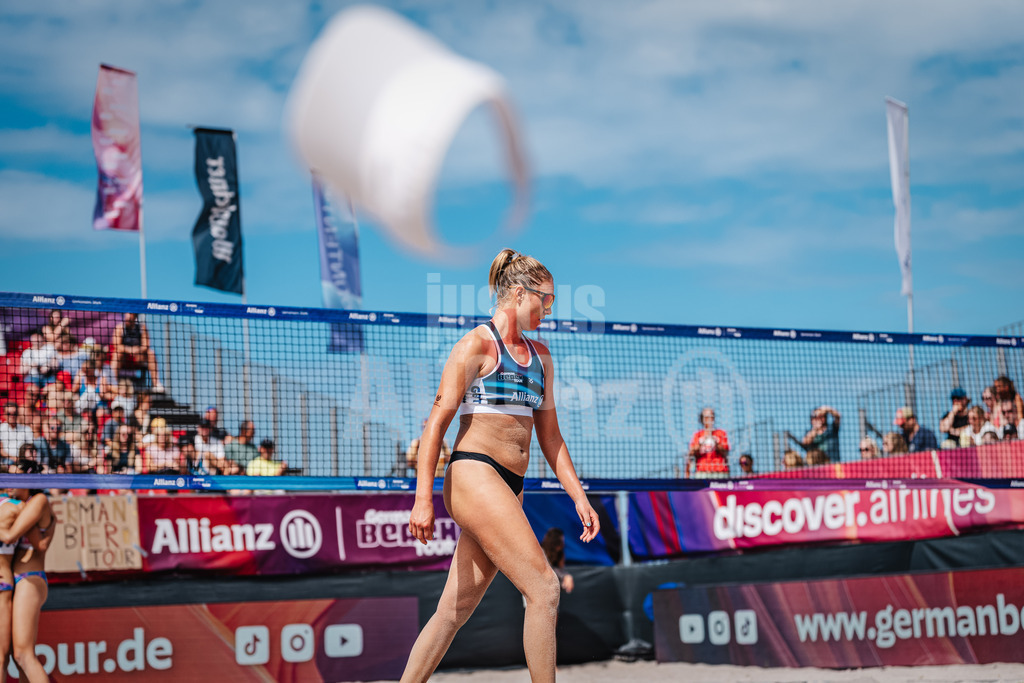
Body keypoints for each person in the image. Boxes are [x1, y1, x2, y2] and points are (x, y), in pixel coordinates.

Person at [402, 249, 599, 683]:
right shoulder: (476, 344)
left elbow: (551, 438)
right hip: (474, 472)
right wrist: (422, 501)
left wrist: (579, 496)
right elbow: (435, 426)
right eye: (545, 301)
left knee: (455, 609)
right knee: (545, 588)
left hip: (511, 484)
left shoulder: (541, 356)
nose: (549, 310)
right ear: (517, 292)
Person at [6, 463, 56, 683]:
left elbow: (9, 536)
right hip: (16, 579)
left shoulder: (39, 501)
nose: (6, 481)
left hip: (29, 577)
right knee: (18, 659)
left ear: (27, 478)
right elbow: (37, 541)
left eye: (12, 476)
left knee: (23, 655)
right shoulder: (20, 504)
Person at [110, 312, 163, 392]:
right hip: (124, 357)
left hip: (138, 357)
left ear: (135, 318)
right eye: (126, 318)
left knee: (150, 353)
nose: (128, 319)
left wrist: (138, 350)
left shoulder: (142, 328)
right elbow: (116, 345)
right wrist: (129, 350)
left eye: (130, 318)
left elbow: (146, 345)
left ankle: (156, 384)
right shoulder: (120, 328)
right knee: (117, 354)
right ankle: (113, 383)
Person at [685, 407, 730, 479]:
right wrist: (702, 441)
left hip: (719, 472)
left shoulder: (721, 433)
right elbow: (691, 452)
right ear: (702, 419)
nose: (710, 419)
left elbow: (725, 451)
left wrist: (714, 439)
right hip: (702, 472)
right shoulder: (698, 435)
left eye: (712, 416)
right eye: (707, 417)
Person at [540, 528, 574, 594]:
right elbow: (546, 569)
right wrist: (565, 576)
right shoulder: (540, 551)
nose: (562, 545)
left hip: (551, 590)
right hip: (536, 587)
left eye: (562, 542)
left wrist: (565, 578)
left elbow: (561, 570)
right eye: (559, 542)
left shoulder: (560, 554)